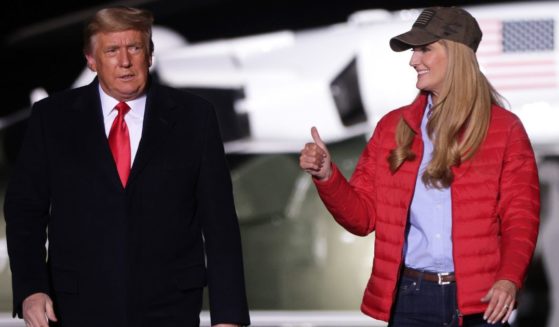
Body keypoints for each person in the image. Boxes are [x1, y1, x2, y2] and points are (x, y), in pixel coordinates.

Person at [4, 6, 250, 327]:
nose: (125, 61)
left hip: (170, 308)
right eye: (111, 50)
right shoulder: (52, 118)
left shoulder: (195, 117)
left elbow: (220, 225)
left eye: (134, 47)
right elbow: (25, 210)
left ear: (149, 54)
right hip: (76, 308)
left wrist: (228, 317)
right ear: (91, 60)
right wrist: (32, 288)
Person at [299, 6, 540, 327]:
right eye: (414, 50)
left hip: (482, 302)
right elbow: (363, 218)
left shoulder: (504, 129)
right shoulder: (391, 128)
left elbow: (520, 217)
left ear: (457, 54)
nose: (414, 60)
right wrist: (327, 175)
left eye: (425, 48)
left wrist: (509, 279)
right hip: (411, 300)